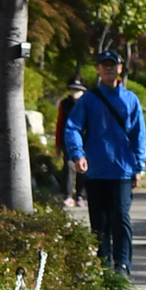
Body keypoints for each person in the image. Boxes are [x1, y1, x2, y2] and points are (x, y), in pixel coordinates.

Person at [62, 47, 145, 273]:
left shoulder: (131, 100)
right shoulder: (89, 100)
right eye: (104, 65)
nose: (108, 69)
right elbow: (72, 128)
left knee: (121, 218)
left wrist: (139, 166)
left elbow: (139, 133)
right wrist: (77, 154)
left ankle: (123, 265)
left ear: (119, 68)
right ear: (98, 70)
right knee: (99, 224)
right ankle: (103, 266)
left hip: (123, 171)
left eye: (113, 65)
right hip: (96, 170)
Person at [55, 75, 86, 208]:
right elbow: (60, 124)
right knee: (68, 168)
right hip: (67, 142)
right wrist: (57, 144)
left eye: (78, 90)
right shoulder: (65, 104)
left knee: (83, 169)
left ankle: (81, 195)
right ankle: (67, 195)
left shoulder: (87, 104)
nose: (75, 93)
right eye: (72, 89)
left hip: (85, 141)